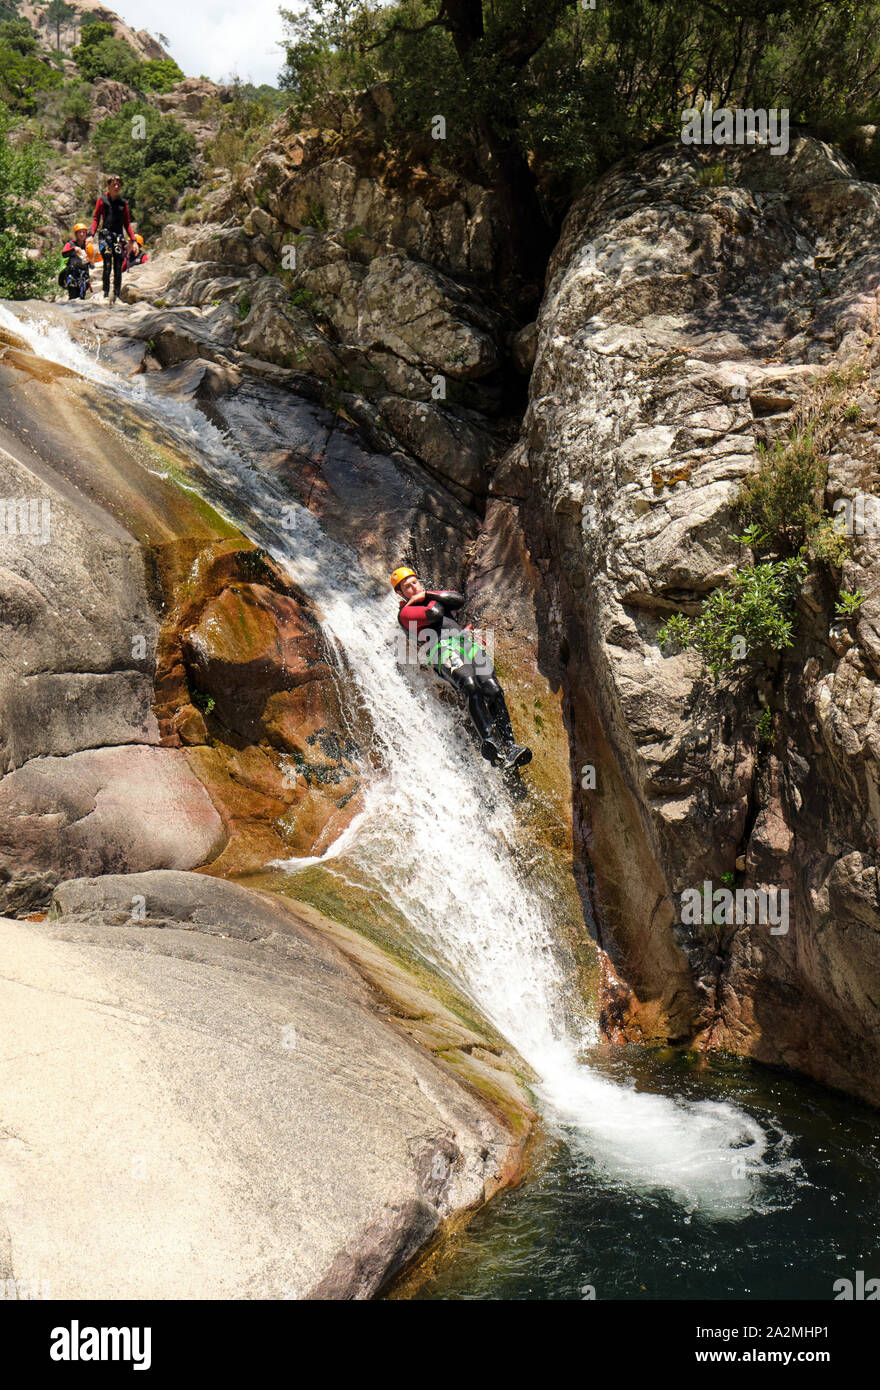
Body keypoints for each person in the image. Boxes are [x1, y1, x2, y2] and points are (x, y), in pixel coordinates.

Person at [391, 566, 532, 771]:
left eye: (415, 582)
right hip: (441, 649)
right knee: (469, 684)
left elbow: (458, 599)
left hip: (467, 643)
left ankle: (510, 746)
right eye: (407, 586)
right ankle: (489, 741)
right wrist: (429, 599)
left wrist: (427, 594)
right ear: (400, 593)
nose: (413, 588)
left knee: (492, 687)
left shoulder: (430, 596)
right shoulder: (405, 613)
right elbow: (434, 613)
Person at [89, 175, 135, 305]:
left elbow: (127, 223)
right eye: (113, 184)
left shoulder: (123, 203)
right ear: (108, 186)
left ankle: (116, 296)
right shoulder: (102, 200)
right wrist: (91, 234)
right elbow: (96, 218)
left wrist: (133, 239)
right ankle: (105, 292)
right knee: (107, 262)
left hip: (118, 237)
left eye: (118, 185)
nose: (116, 187)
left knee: (118, 265)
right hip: (105, 236)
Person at [58, 223, 91, 300]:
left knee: (82, 297)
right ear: (76, 234)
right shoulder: (70, 244)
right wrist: (73, 249)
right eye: (79, 232)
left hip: (83, 276)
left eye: (84, 232)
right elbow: (64, 254)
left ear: (86, 234)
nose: (82, 234)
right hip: (72, 274)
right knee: (73, 297)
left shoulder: (88, 246)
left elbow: (91, 260)